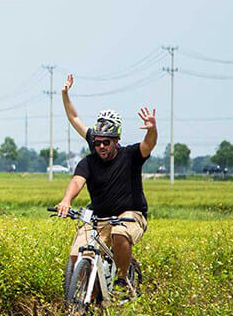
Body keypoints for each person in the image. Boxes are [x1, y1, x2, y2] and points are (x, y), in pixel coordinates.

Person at [56, 74, 157, 291]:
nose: (101, 146)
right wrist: (66, 200)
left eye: (106, 143)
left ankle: (122, 279)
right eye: (97, 142)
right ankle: (85, 299)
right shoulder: (89, 161)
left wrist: (152, 129)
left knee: (119, 232)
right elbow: (77, 180)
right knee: (77, 254)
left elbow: (148, 145)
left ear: (116, 141)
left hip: (130, 214)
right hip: (99, 216)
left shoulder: (130, 155)